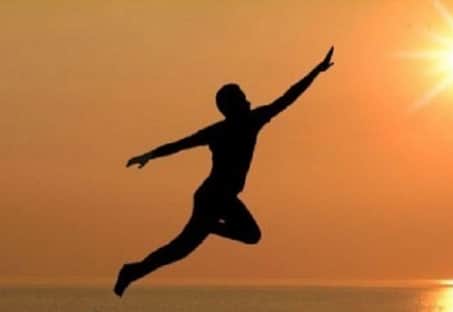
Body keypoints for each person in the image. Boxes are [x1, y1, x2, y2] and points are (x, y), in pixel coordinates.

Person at [114, 46, 335, 296]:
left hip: (221, 197)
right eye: (242, 97)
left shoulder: (248, 122)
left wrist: (317, 71)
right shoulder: (234, 126)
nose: (248, 100)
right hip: (214, 196)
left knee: (237, 238)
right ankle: (132, 270)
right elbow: (181, 144)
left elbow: (287, 98)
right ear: (232, 106)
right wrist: (150, 155)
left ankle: (137, 268)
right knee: (183, 249)